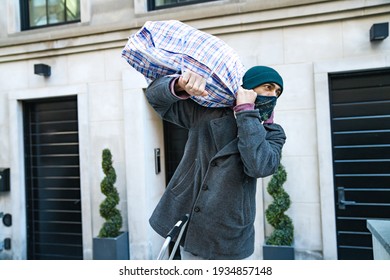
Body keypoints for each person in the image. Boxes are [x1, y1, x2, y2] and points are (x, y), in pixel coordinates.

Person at [146, 65, 286, 260]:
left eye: (277, 92)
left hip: (231, 234)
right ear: (248, 88)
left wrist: (247, 113)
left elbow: (259, 166)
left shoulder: (274, 133)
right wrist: (178, 85)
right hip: (192, 221)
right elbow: (157, 100)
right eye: (268, 87)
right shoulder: (207, 112)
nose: (273, 95)